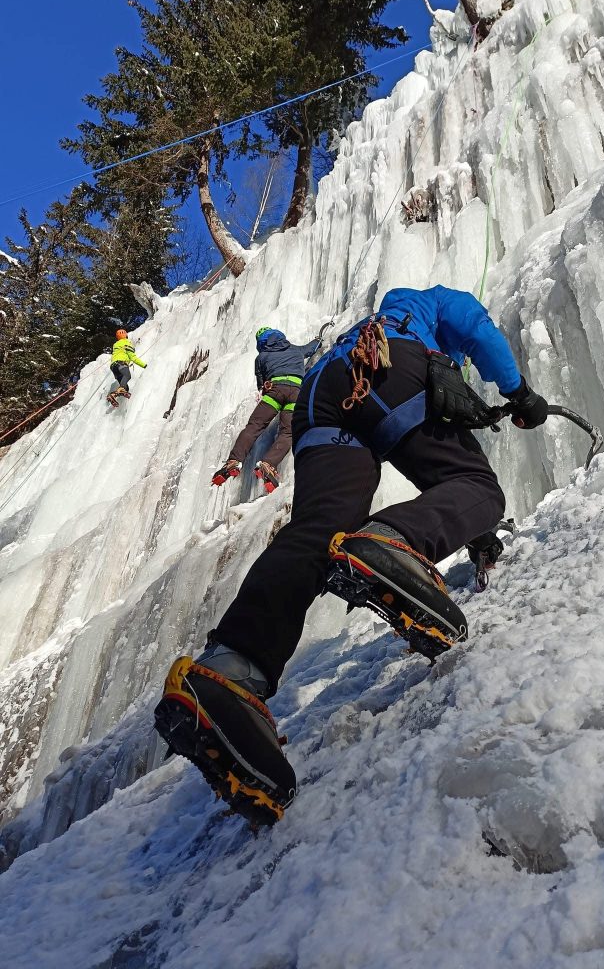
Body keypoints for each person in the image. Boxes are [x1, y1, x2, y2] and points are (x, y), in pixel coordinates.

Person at [156, 285, 548, 825]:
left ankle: (227, 672)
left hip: (322, 392)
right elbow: (478, 328)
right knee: (477, 486)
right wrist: (521, 393)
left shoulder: (367, 326)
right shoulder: (431, 301)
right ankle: (391, 541)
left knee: (319, 529)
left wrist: (476, 540)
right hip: (389, 363)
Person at [211, 326, 322, 492]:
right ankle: (269, 463)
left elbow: (261, 383)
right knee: (288, 432)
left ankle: (234, 461)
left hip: (275, 390)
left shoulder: (262, 357)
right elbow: (312, 348)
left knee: (254, 427)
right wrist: (318, 339)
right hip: (296, 393)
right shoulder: (295, 349)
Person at [109, 328, 146, 400]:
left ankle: (113, 395)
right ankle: (121, 389)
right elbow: (133, 358)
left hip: (113, 367)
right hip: (121, 363)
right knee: (127, 376)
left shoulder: (116, 344)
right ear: (125, 335)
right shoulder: (126, 342)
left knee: (126, 389)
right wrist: (144, 366)